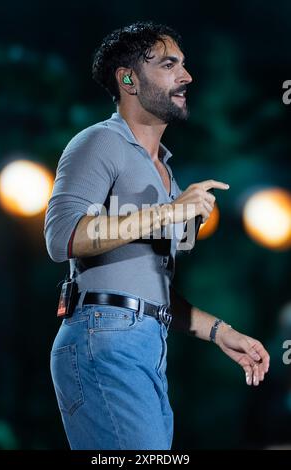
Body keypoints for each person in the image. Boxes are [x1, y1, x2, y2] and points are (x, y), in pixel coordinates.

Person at [44, 21, 270, 450]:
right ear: (128, 79)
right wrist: (170, 211)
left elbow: (147, 289)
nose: (187, 77)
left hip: (148, 343)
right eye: (169, 65)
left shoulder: (164, 171)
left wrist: (221, 332)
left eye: (184, 65)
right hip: (103, 338)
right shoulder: (98, 142)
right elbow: (61, 238)